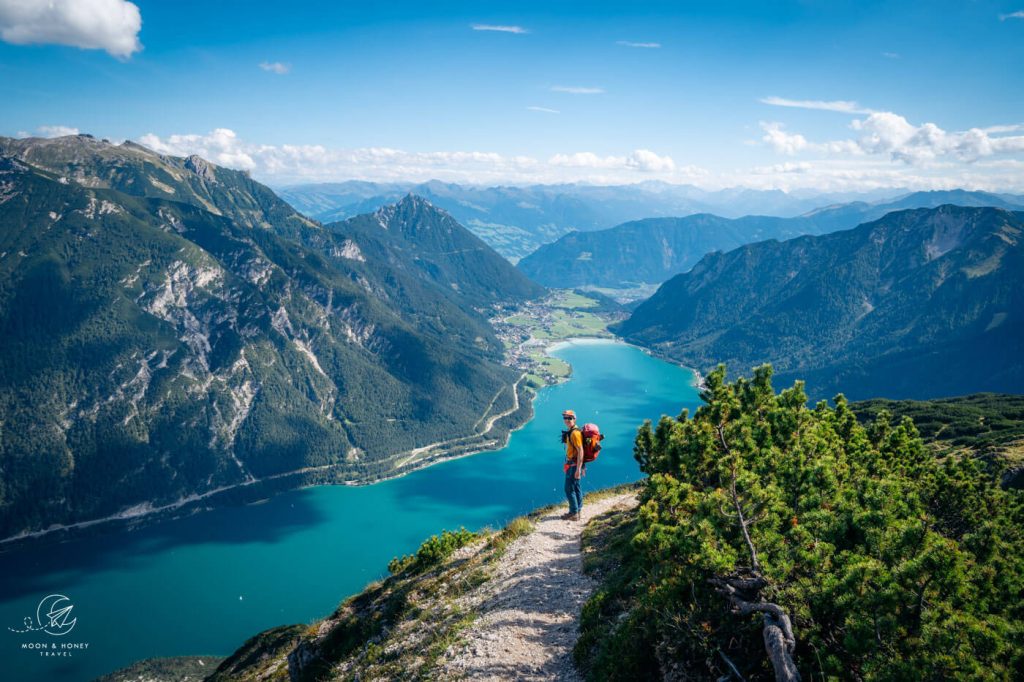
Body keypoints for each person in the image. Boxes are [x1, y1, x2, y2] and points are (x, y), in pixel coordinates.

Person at [561, 409, 584, 521]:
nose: (567, 420)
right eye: (565, 418)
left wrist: (578, 469)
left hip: (574, 465)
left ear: (574, 419)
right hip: (573, 464)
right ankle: (577, 511)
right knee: (576, 487)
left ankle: (574, 513)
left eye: (569, 418)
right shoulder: (572, 431)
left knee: (568, 489)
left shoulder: (575, 433)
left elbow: (581, 451)